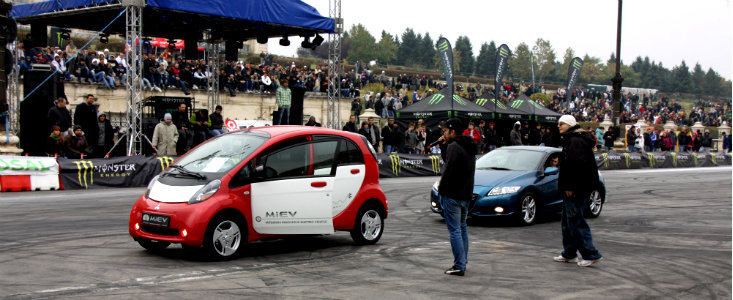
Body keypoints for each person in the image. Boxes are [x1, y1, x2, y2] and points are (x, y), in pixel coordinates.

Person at [554, 115, 603, 267]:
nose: (559, 126)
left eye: (562, 123)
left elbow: (576, 166)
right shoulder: (573, 138)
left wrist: (570, 187)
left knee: (575, 221)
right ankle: (569, 253)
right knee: (567, 221)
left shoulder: (575, 141)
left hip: (575, 188)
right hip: (576, 186)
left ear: (569, 124)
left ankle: (590, 254)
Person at [437, 118, 476, 276]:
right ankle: (463, 261)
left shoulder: (454, 146)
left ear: (453, 131)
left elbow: (449, 168)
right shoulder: (468, 144)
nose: (444, 133)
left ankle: (459, 265)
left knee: (454, 230)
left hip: (453, 193)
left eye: (446, 131)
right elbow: (453, 161)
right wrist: (442, 145)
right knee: (462, 228)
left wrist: (441, 190)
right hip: (465, 193)